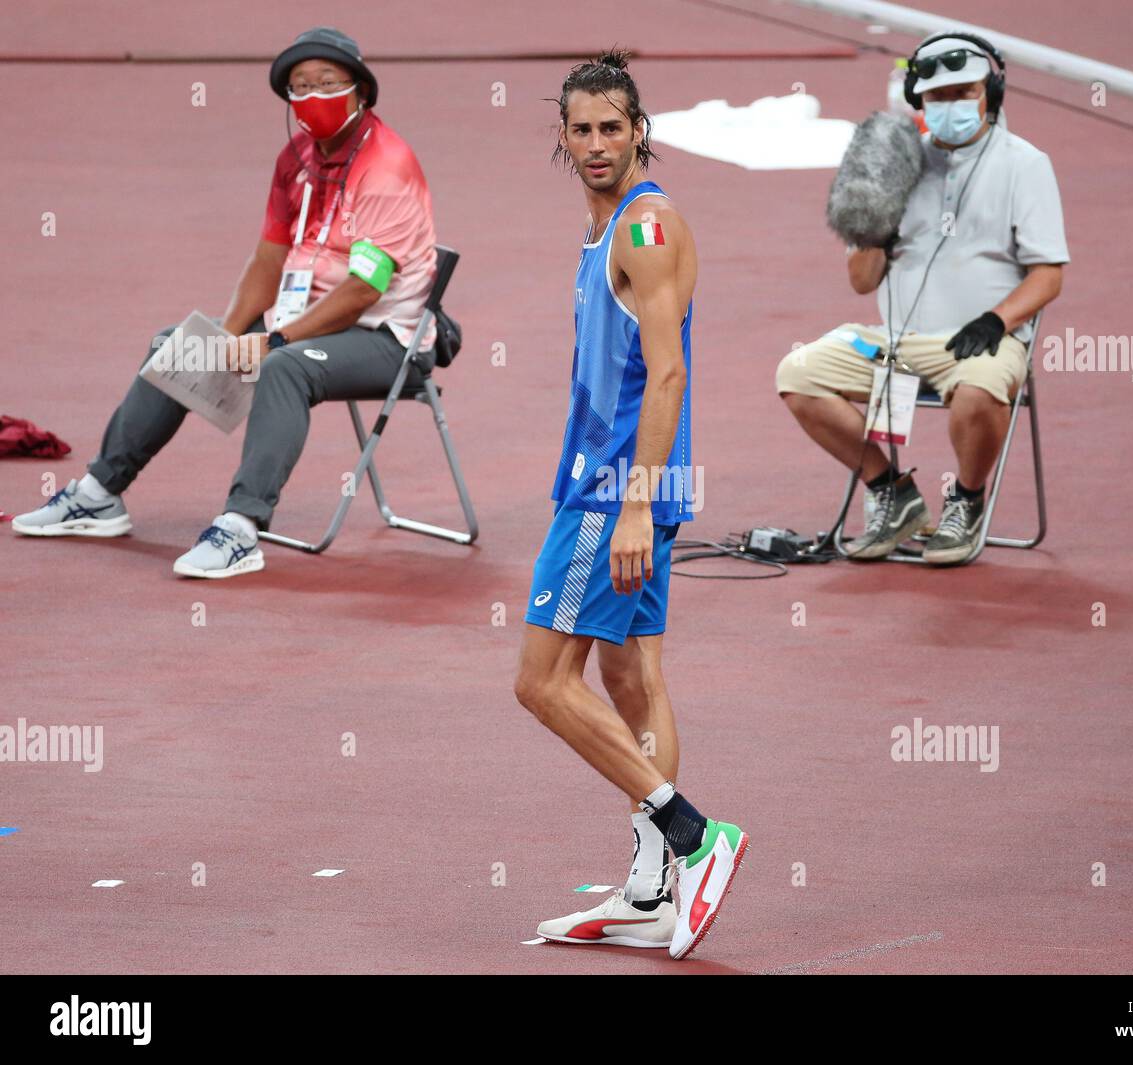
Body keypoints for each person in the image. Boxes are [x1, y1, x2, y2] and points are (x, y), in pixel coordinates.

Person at [13, 27, 438, 578]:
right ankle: (100, 493)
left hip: (385, 338)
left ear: (361, 89)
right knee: (181, 345)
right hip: (304, 319)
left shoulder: (387, 166)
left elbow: (361, 292)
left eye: (328, 83)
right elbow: (268, 262)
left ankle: (240, 528)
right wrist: (228, 337)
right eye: (301, 87)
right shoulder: (296, 158)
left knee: (284, 369)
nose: (314, 96)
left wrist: (275, 341)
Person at [513, 51, 747, 960]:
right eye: (583, 129)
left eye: (616, 126)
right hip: (637, 479)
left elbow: (669, 369)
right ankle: (655, 882)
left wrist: (636, 507)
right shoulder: (606, 226)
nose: (599, 143)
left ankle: (694, 836)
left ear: (641, 130)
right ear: (563, 138)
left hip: (618, 488)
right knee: (629, 671)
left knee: (540, 680)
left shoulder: (645, 232)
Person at [776, 32, 1068, 565]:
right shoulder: (893, 166)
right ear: (919, 102)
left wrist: (995, 322)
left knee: (980, 391)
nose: (951, 105)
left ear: (992, 92)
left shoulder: (1026, 165)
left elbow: (1048, 275)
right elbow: (862, 282)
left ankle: (968, 500)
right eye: (937, 97)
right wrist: (874, 229)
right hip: (895, 344)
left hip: (982, 341)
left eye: (964, 92)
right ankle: (891, 493)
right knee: (798, 374)